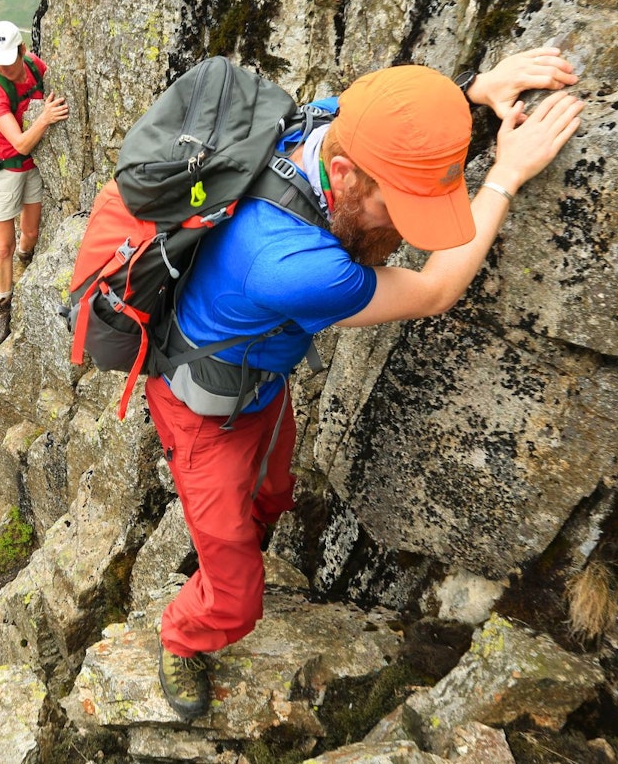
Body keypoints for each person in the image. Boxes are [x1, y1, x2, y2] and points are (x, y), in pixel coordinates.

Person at [149, 49, 585, 721]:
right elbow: (436, 288)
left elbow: (385, 123)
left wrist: (474, 92)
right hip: (203, 414)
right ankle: (184, 633)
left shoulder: (326, 124)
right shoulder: (295, 265)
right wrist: (505, 175)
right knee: (238, 595)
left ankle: (231, 548)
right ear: (346, 177)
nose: (408, 229)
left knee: (271, 496)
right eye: (399, 207)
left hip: (259, 384)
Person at [0, 20, 69, 344]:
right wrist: (45, 117)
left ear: (23, 49)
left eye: (9, 58)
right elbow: (19, 143)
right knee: (3, 244)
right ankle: (4, 302)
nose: (4, 66)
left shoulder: (33, 66)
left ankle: (26, 266)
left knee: (29, 234)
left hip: (32, 166)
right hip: (2, 169)